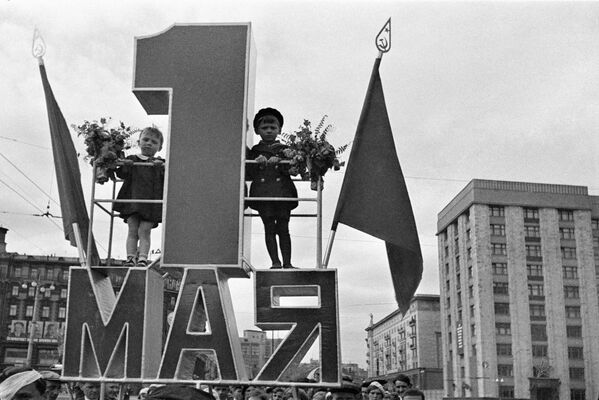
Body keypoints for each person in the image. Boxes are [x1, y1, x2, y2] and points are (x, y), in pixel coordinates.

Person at [246, 108, 298, 269]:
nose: (269, 131)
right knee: (268, 226)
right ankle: (275, 262)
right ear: (257, 131)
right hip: (263, 194)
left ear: (279, 130)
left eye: (273, 128)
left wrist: (282, 160)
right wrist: (257, 161)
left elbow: (292, 170)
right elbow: (249, 172)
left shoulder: (286, 149)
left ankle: (288, 263)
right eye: (264, 128)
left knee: (284, 227)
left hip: (282, 193)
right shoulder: (254, 151)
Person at [113, 127, 165, 267]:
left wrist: (161, 168)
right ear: (139, 142)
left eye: (154, 142)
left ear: (159, 147)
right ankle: (130, 258)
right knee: (132, 229)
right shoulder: (132, 159)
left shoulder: (160, 163)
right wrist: (125, 165)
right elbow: (121, 174)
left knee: (145, 230)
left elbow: (167, 180)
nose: (149, 143)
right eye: (146, 140)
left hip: (151, 204)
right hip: (133, 201)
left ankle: (142, 258)